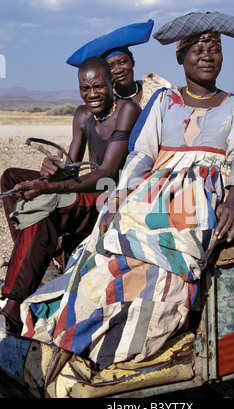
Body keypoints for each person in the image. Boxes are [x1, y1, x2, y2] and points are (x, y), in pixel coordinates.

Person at [20, 11, 234, 371]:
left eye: (214, 48)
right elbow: (141, 155)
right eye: (197, 49)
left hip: (205, 198)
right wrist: (119, 196)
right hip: (154, 192)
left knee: (169, 260)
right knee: (106, 248)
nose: (208, 55)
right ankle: (84, 325)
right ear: (180, 57)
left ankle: (140, 330)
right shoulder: (164, 101)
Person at [0, 56, 141, 333]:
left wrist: (49, 187)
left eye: (98, 87)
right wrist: (50, 170)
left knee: (45, 204)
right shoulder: (82, 115)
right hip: (82, 188)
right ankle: (39, 255)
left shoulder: (128, 110)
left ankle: (13, 306)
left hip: (108, 195)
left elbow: (106, 172)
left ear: (111, 83)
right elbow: (70, 165)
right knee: (11, 179)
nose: (92, 95)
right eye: (84, 89)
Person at [66, 19, 171, 110]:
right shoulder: (103, 101)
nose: (118, 70)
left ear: (132, 62)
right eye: (110, 67)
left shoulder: (155, 92)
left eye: (123, 62)